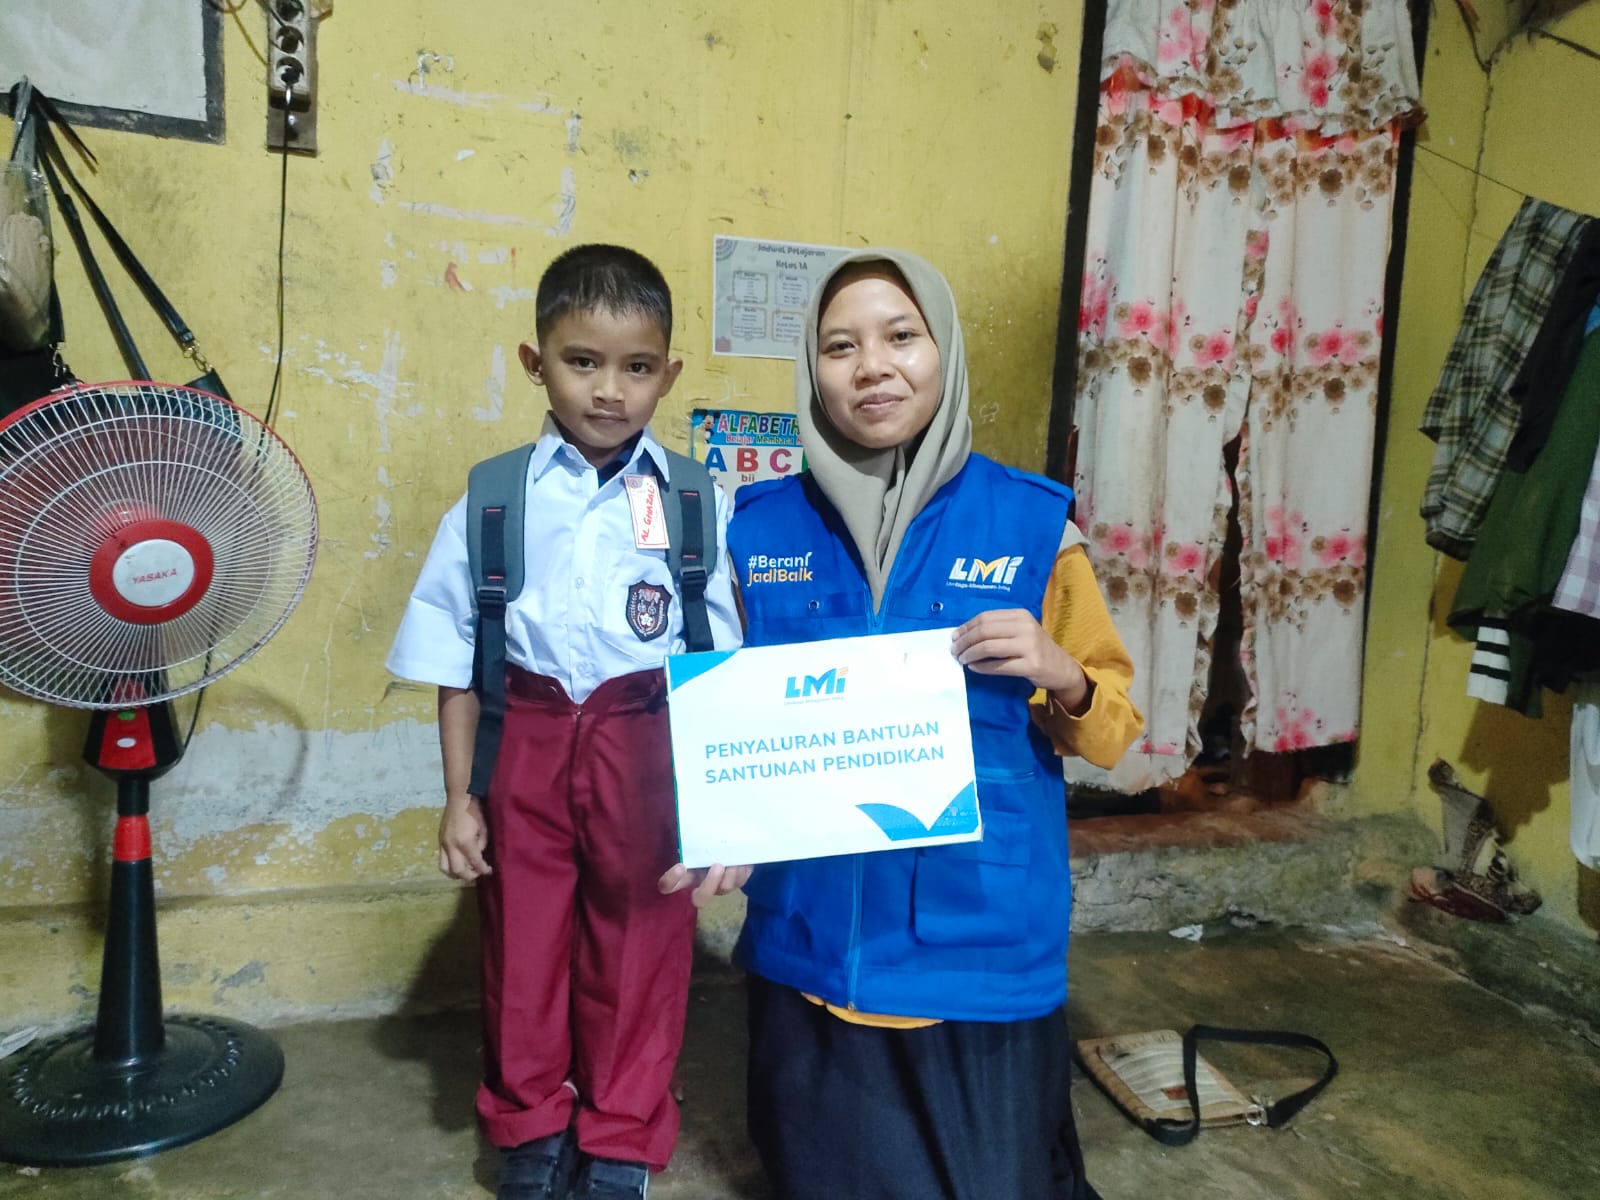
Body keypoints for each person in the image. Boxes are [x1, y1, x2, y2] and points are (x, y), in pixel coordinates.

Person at [666, 247, 1143, 1200]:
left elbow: (1115, 734)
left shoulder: (1033, 524)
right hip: (813, 942)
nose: (871, 366)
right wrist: (722, 828)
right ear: (814, 371)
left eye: (900, 336)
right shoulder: (759, 531)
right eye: (840, 346)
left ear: (944, 352)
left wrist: (1062, 676)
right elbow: (737, 724)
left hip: (975, 943)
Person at [386, 244, 742, 1200]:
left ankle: (621, 1136)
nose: (610, 391)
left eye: (636, 368)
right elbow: (455, 665)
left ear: (669, 373)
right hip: (529, 736)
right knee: (524, 943)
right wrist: (461, 797)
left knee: (641, 939)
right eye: (582, 361)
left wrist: (721, 810)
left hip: (647, 739)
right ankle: (531, 1126)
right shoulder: (493, 496)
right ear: (534, 361)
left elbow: (719, 670)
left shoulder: (698, 499)